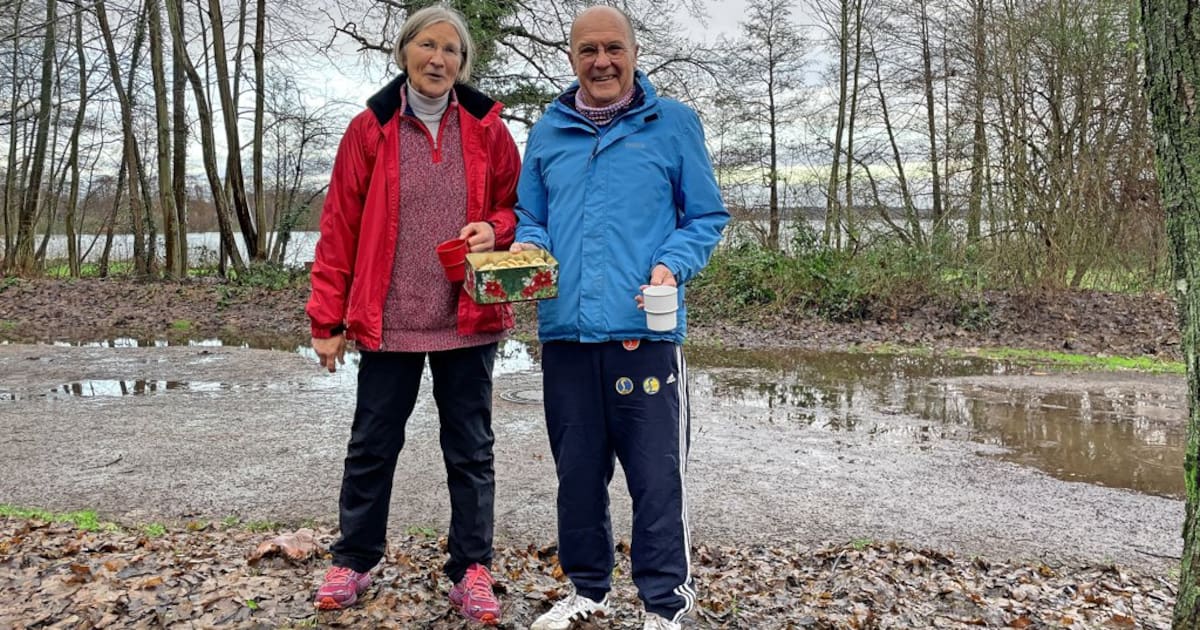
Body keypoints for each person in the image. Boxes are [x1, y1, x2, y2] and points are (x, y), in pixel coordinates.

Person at [511, 6, 729, 630]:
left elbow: (705, 218)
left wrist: (670, 264)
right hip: (566, 335)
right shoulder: (548, 132)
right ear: (572, 57)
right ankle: (588, 591)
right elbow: (531, 216)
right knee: (577, 475)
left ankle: (665, 606)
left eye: (613, 49)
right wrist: (529, 245)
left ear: (634, 53)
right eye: (588, 51)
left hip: (647, 336)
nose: (601, 61)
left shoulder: (673, 124)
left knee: (656, 478)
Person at [304, 5, 520, 625]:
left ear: (463, 62)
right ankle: (354, 558)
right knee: (372, 445)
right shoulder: (369, 128)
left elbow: (517, 207)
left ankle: (471, 570)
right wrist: (328, 320)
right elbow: (338, 227)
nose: (438, 59)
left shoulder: (487, 129)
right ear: (404, 53)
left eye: (451, 50)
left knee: (471, 449)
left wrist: (496, 228)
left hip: (468, 318)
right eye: (427, 46)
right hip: (388, 319)